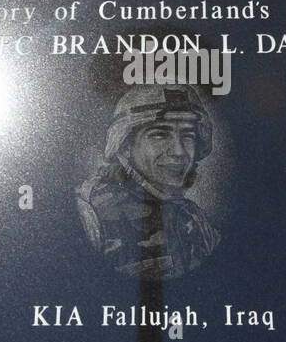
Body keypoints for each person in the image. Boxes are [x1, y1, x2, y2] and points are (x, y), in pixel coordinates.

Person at [76, 84, 220, 278]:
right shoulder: (89, 213)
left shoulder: (192, 215)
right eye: (160, 135)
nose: (179, 152)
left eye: (188, 135)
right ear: (125, 146)